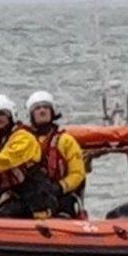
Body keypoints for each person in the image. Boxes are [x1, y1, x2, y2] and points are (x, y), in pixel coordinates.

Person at [0, 94, 57, 218]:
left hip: (33, 191)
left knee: (10, 212)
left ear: (11, 114)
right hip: (13, 191)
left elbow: (7, 159)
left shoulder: (24, 137)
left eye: (2, 114)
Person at [26, 90, 86, 218]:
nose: (42, 111)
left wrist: (59, 187)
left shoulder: (66, 141)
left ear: (52, 112)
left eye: (46, 107)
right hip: (32, 194)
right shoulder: (23, 141)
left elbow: (78, 173)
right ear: (31, 114)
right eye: (37, 108)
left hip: (61, 194)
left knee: (65, 206)